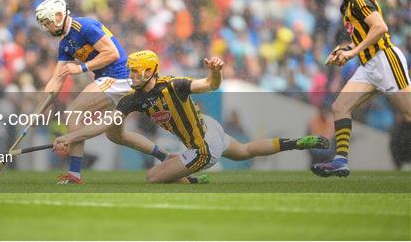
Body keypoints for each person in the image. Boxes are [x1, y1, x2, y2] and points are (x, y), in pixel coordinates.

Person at [54, 50, 329, 183]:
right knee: (244, 151)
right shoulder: (133, 99)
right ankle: (297, 142)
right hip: (209, 128)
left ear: (151, 72)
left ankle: (194, 177)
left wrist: (216, 71)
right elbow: (106, 123)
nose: (132, 76)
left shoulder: (175, 84)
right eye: (131, 71)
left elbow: (210, 85)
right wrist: (72, 135)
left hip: (202, 148)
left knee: (152, 177)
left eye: (138, 71)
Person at [34, 0, 171, 184]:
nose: (46, 28)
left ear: (58, 16)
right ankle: (167, 158)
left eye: (48, 22)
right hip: (107, 80)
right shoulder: (65, 44)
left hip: (118, 77)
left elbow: (112, 53)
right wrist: (40, 108)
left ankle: (74, 174)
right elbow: (57, 78)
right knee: (117, 135)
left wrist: (81, 68)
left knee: (74, 110)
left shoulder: (84, 27)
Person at [313, 0, 411, 177]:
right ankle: (340, 160)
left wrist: (353, 51)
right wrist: (345, 49)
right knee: (339, 107)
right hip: (368, 66)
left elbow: (380, 27)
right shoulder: (346, 4)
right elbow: (362, 35)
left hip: (385, 60)